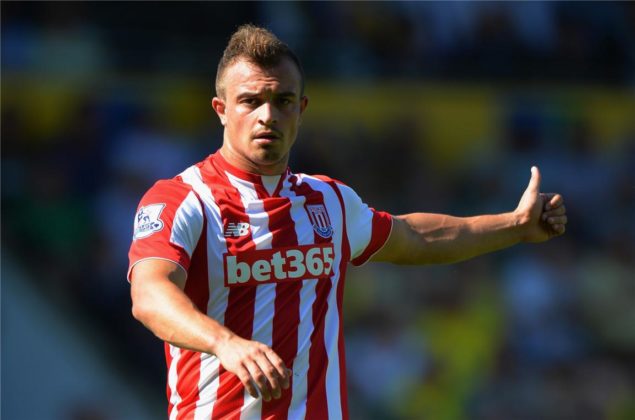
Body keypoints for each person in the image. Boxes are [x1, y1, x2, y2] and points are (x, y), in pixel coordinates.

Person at [128, 24, 567, 420]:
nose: (267, 115)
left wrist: (515, 225)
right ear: (221, 109)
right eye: (250, 101)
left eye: (282, 101)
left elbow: (414, 237)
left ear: (301, 108)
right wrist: (224, 343)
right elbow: (149, 295)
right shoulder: (184, 199)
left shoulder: (329, 201)